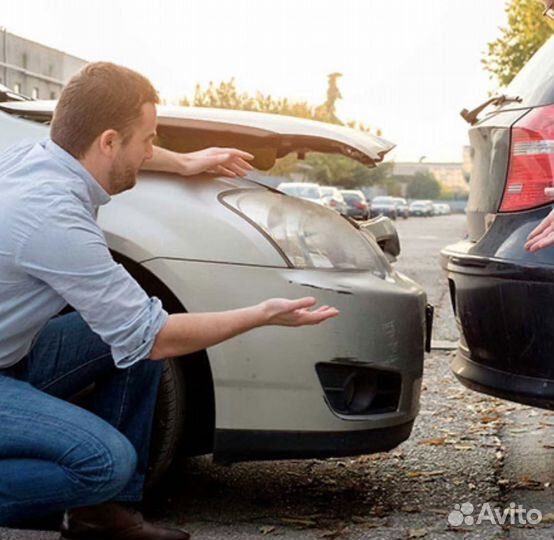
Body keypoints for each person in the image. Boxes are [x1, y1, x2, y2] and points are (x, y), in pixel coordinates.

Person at [0, 62, 339, 540]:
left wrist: (184, 162)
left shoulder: (35, 157)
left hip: (13, 358)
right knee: (105, 462)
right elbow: (155, 338)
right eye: (147, 140)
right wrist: (261, 315)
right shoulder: (53, 216)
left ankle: (99, 517)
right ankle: (97, 496)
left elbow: (138, 334)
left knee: (128, 329)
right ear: (109, 142)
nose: (149, 152)